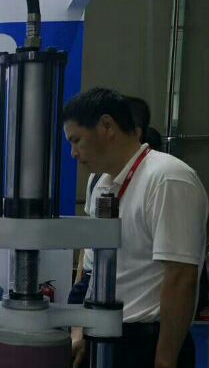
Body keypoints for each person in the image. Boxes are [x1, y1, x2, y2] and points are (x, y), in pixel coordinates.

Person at [63, 88, 208, 368]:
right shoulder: (102, 184)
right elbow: (92, 268)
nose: (74, 153)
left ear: (107, 126)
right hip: (106, 341)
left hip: (147, 347)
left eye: (77, 140)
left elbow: (181, 278)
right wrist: (81, 328)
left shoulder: (168, 178)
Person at [69, 95, 163, 305]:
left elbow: (179, 274)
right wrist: (80, 279)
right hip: (91, 280)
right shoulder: (98, 178)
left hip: (127, 298)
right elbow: (90, 231)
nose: (74, 153)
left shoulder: (163, 179)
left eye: (77, 140)